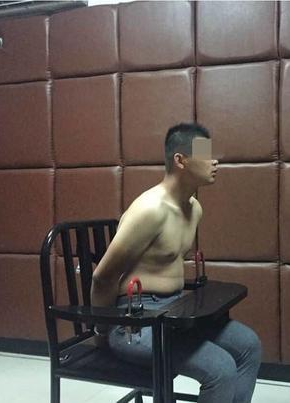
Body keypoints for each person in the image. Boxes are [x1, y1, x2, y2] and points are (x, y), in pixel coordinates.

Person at [91, 123, 261, 403]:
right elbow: (102, 277)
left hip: (175, 313)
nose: (214, 162)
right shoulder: (150, 210)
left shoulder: (194, 209)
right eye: (205, 154)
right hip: (136, 322)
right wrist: (101, 331)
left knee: (249, 346)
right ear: (180, 160)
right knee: (220, 369)